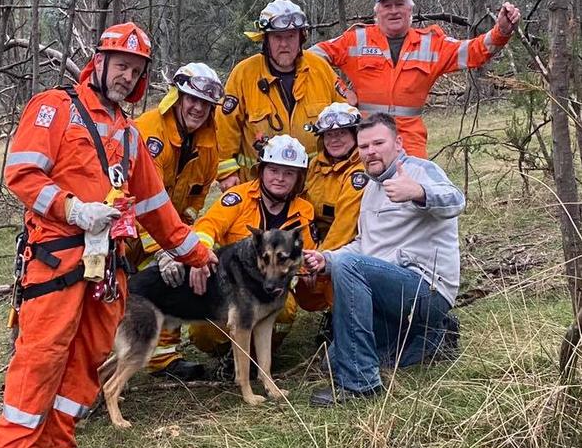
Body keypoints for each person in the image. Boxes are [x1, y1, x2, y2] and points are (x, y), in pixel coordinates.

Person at [0, 23, 215, 448]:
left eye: (136, 70)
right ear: (101, 61)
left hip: (107, 266)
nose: (127, 76)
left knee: (87, 357)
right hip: (55, 260)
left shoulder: (129, 135)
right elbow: (23, 174)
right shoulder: (55, 107)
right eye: (122, 66)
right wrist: (74, 210)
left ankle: (56, 446)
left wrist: (198, 252)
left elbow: (156, 207)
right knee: (41, 358)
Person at [304, 112, 465, 406]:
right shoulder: (371, 189)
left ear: (398, 143)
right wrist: (326, 259)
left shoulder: (419, 171)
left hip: (425, 290)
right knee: (335, 358)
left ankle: (360, 384)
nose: (370, 151)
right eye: (364, 147)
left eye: (378, 143)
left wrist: (418, 192)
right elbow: (365, 245)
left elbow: (456, 200)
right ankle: (433, 339)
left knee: (350, 270)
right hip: (388, 295)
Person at [309, 0, 521, 159]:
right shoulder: (355, 39)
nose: (393, 11)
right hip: (364, 138)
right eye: (387, 5)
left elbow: (474, 51)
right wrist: (341, 90)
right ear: (377, 12)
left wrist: (501, 31)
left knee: (412, 201)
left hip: (409, 141)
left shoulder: (431, 43)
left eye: (399, 4)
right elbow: (312, 56)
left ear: (410, 10)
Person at [161, 135, 315, 379]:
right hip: (231, 286)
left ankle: (256, 357)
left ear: (298, 179)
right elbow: (207, 226)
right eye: (273, 170)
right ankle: (227, 355)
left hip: (271, 288)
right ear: (262, 170)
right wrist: (199, 258)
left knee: (285, 310)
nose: (280, 178)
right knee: (204, 331)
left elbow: (303, 257)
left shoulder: (303, 211)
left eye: (289, 173)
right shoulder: (238, 197)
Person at [131, 63, 224, 381]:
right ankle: (98, 363)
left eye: (205, 103)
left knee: (176, 273)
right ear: (177, 97)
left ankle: (162, 357)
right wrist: (161, 249)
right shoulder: (149, 131)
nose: (197, 108)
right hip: (126, 226)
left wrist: (180, 242)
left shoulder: (209, 147)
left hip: (165, 231)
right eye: (191, 99)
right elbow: (140, 197)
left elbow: (194, 203)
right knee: (110, 292)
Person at [216, 0, 348, 190]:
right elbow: (224, 129)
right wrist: (227, 173)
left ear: (301, 38)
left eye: (291, 36)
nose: (284, 44)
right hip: (257, 187)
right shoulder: (244, 74)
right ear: (265, 40)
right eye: (277, 37)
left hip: (314, 185)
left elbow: (346, 117)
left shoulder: (321, 70)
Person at [294, 103, 366, 344]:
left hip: (352, 244)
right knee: (305, 290)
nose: (335, 140)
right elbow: (300, 210)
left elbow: (345, 225)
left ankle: (345, 321)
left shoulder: (359, 172)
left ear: (355, 134)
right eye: (329, 135)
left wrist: (320, 260)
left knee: (340, 274)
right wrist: (305, 255)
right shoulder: (315, 167)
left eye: (342, 133)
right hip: (318, 242)